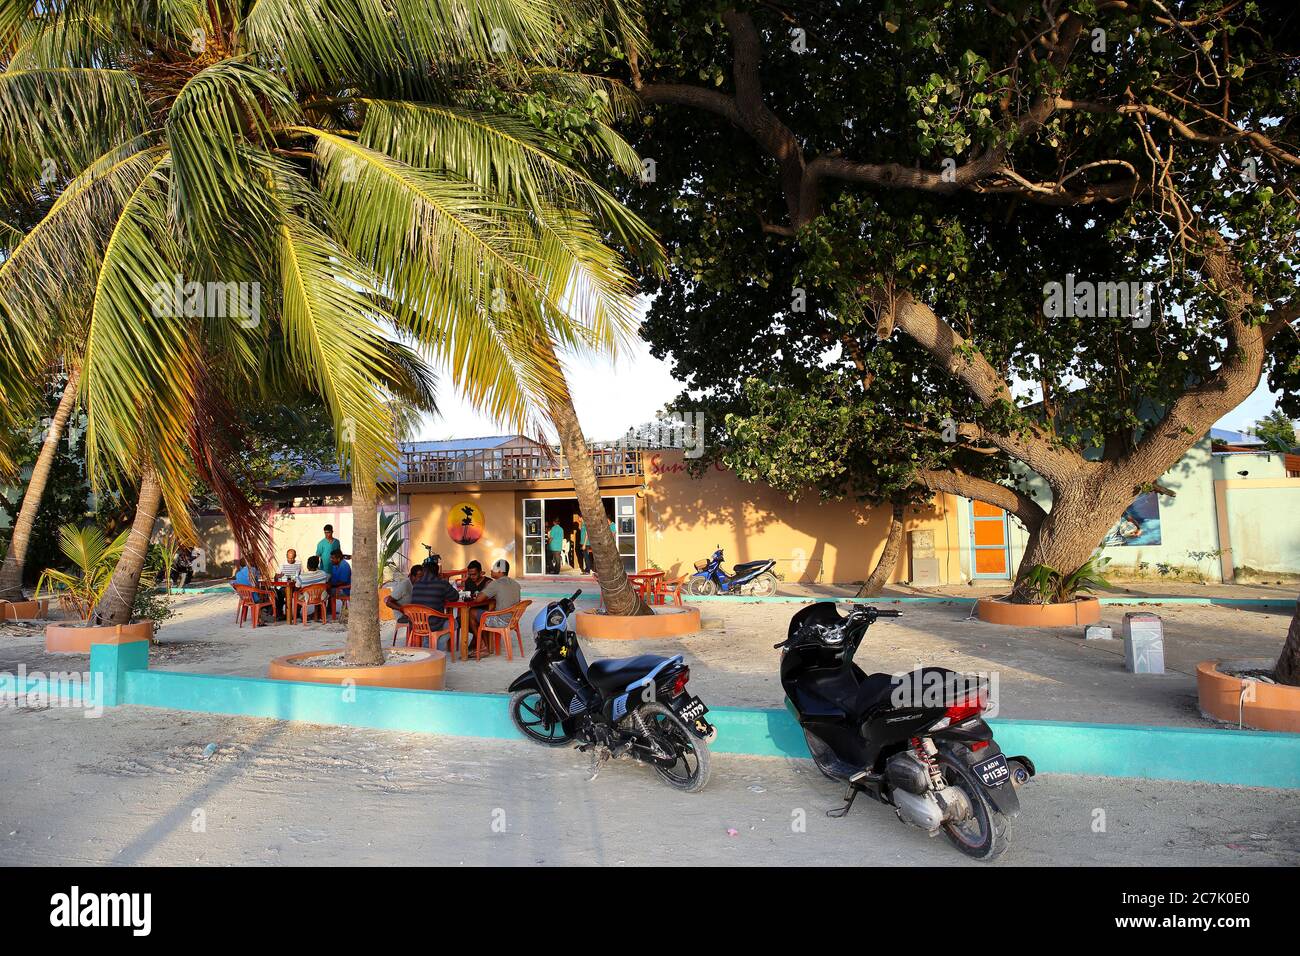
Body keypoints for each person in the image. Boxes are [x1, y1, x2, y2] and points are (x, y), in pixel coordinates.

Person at [409, 555, 458, 651]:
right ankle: (437, 647)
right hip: (434, 624)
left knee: (431, 621)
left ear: (424, 571)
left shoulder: (416, 585)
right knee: (454, 623)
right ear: (437, 572)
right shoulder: (441, 583)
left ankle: (428, 646)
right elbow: (455, 597)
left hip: (417, 624)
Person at [469, 558, 523, 646]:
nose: (491, 570)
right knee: (487, 611)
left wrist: (486, 588)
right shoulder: (516, 584)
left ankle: (482, 645)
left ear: (500, 571)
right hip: (513, 620)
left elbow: (478, 599)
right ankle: (483, 644)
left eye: (493, 569)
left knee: (471, 612)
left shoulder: (496, 583)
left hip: (501, 621)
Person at [384, 565, 422, 634]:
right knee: (423, 620)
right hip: (402, 615)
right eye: (419, 577)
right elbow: (388, 602)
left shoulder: (416, 585)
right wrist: (403, 610)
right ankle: (415, 642)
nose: (422, 579)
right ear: (412, 576)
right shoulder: (404, 585)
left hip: (412, 612)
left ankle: (419, 641)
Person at [296, 555, 330, 620]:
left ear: (307, 565)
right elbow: (327, 580)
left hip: (307, 598)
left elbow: (297, 587)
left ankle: (296, 614)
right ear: (317, 565)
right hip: (320, 597)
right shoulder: (323, 574)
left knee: (296, 594)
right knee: (320, 591)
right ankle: (318, 615)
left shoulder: (302, 577)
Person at [328, 550, 352, 617]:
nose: (331, 560)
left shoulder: (344, 566)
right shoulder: (335, 565)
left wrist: (331, 585)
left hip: (345, 589)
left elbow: (343, 582)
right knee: (322, 590)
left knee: (325, 591)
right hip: (337, 587)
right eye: (331, 558)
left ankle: (322, 612)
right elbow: (333, 577)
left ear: (338, 559)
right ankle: (322, 611)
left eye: (332, 558)